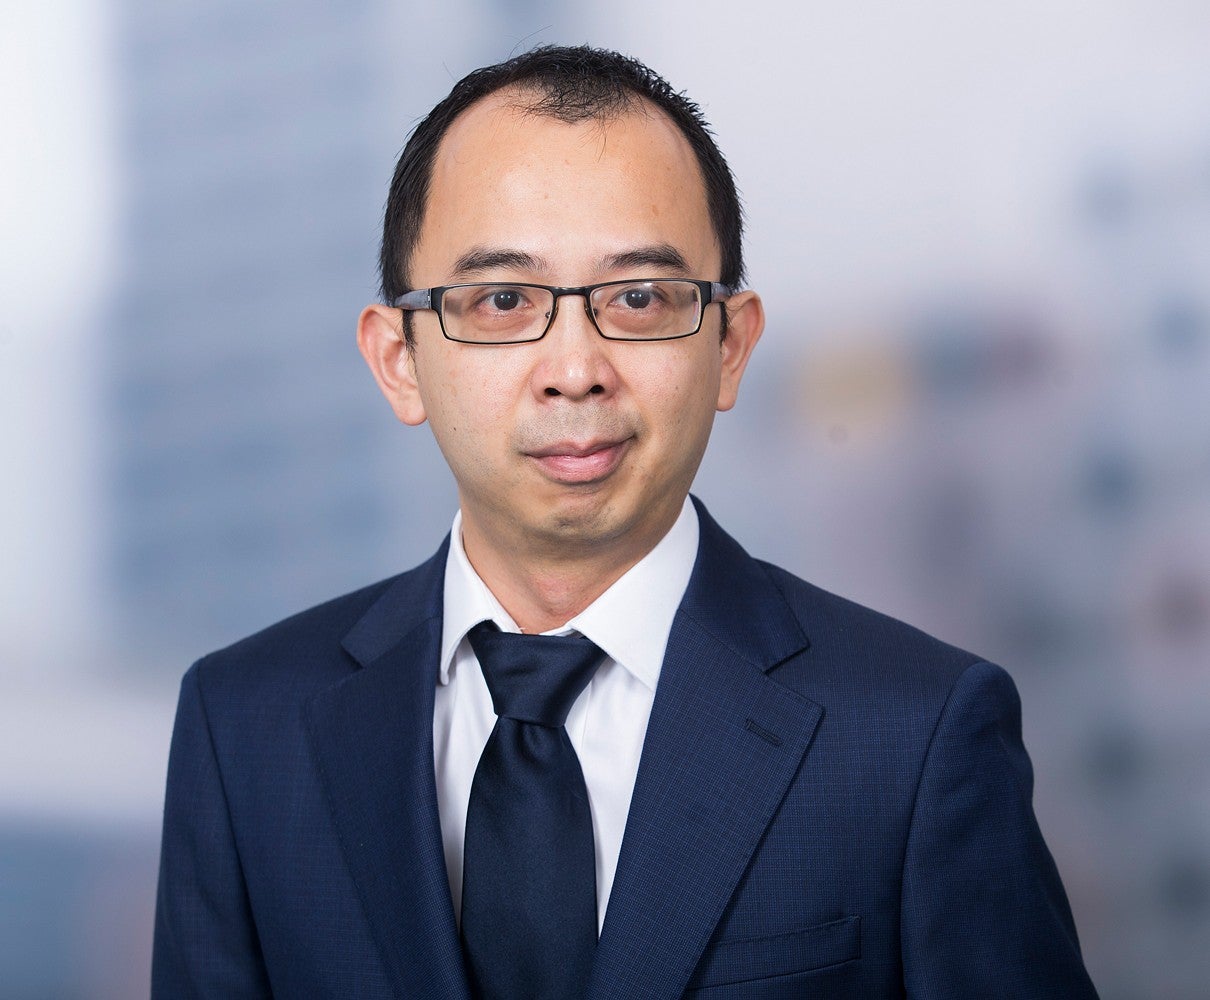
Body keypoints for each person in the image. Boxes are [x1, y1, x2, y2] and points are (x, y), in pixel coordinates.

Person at [152, 44, 1099, 999]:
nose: (575, 370)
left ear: (730, 346)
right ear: (399, 359)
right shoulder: (244, 731)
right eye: (503, 299)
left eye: (640, 298)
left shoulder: (916, 734)